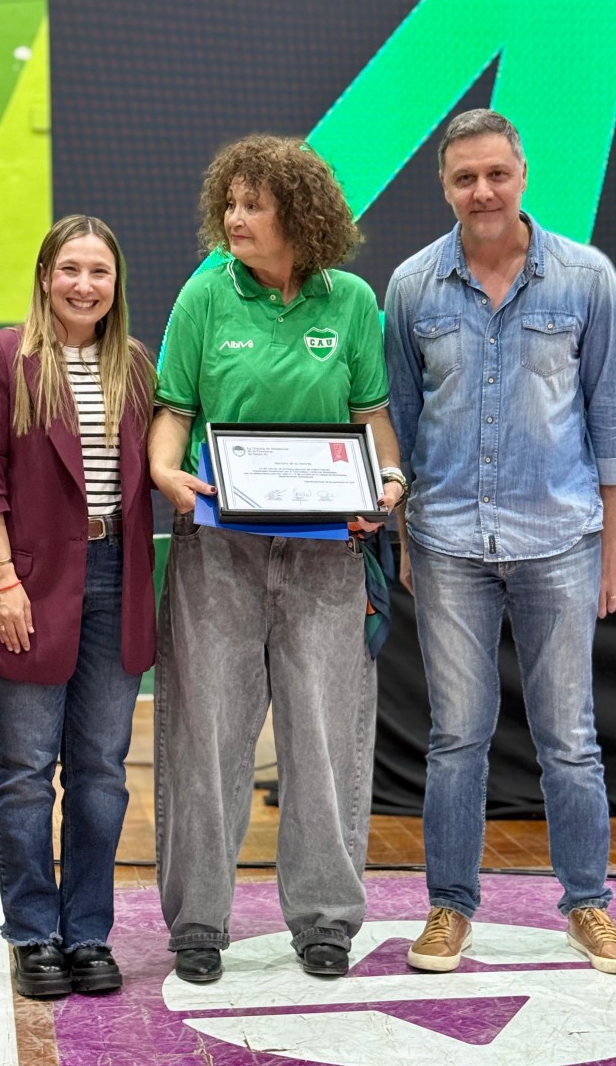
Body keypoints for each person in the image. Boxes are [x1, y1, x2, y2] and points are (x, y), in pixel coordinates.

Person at [384, 110, 616, 975]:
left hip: (562, 539)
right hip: (451, 539)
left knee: (569, 737)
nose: (482, 192)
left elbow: (614, 414)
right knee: (457, 736)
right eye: (465, 179)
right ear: (445, 186)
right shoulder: (413, 287)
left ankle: (589, 907)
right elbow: (399, 429)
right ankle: (449, 909)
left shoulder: (585, 278)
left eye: (496, 174)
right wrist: (408, 536)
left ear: (522, 175)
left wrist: (614, 542)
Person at [151, 135, 405, 982]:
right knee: (206, 736)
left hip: (328, 553)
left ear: (298, 215)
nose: (233, 218)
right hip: (217, 547)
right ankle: (196, 924)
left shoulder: (353, 303)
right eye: (229, 202)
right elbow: (174, 412)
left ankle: (326, 921)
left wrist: (391, 477)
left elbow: (371, 419)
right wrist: (162, 470)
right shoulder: (202, 298)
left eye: (252, 204)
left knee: (328, 737)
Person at [0, 215, 157, 999]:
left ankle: (89, 933)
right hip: (28, 584)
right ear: (44, 276)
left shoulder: (134, 365)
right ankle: (34, 934)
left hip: (114, 580)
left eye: (99, 272)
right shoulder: (5, 356)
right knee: (28, 773)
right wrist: (2, 581)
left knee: (102, 773)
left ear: (116, 285)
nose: (83, 285)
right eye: (70, 268)